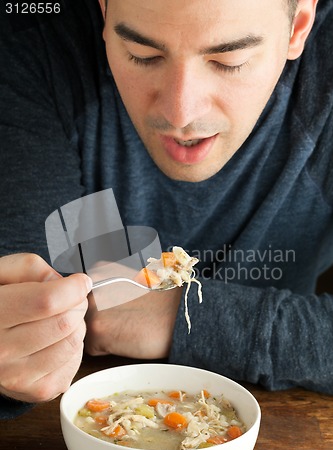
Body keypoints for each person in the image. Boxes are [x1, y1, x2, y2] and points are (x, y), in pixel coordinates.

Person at [1, 0, 332, 419]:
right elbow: (21, 308)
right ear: (103, 11)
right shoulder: (31, 43)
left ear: (298, 27)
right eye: (144, 55)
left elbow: (103, 305)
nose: (181, 114)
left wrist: (176, 315)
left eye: (229, 60)